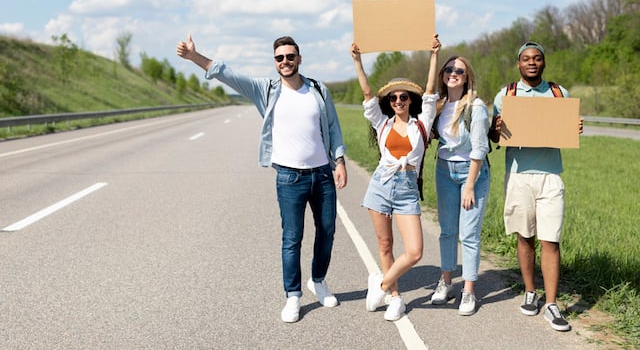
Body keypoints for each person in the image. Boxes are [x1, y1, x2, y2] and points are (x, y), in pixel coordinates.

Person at [176, 34, 348, 323]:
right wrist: (195, 56)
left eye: (290, 56)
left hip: (322, 175)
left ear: (299, 59)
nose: (285, 62)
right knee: (292, 238)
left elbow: (333, 125)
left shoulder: (318, 89)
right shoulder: (265, 89)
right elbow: (227, 73)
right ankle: (293, 296)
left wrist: (339, 159)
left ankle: (318, 281)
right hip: (289, 178)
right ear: (275, 62)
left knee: (327, 230)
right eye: (279, 58)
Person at [489, 41, 583, 331]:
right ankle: (531, 291)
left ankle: (552, 304)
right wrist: (495, 128)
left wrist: (575, 127)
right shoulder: (506, 94)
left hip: (551, 176)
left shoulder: (558, 93)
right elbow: (493, 137)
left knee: (551, 239)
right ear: (518, 64)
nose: (532, 62)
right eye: (526, 59)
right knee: (525, 237)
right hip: (519, 175)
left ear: (544, 63)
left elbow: (565, 131)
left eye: (537, 58)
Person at [350, 41, 437, 321]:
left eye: (403, 97)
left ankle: (382, 284)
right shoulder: (382, 123)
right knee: (385, 244)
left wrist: (434, 55)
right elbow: (366, 93)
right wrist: (357, 62)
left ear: (411, 100)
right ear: (389, 103)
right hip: (381, 185)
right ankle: (395, 298)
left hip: (407, 188)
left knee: (414, 251)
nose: (398, 101)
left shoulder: (422, 123)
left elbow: (432, 91)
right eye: (393, 99)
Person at [426, 36, 491, 316]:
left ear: (467, 78)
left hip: (471, 174)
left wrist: (470, 186)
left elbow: (479, 148)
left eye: (459, 71)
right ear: (443, 76)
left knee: (469, 233)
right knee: (447, 231)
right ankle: (446, 281)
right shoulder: (439, 106)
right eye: (449, 70)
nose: (453, 74)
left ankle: (468, 291)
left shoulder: (475, 107)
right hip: (443, 171)